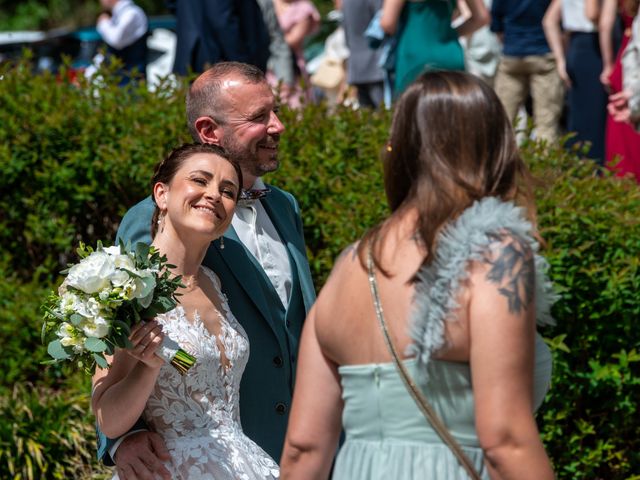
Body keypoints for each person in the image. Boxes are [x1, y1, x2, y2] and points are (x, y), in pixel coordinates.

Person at [280, 71, 556, 479]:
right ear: (495, 148)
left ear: (402, 149)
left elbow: (304, 450)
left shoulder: (349, 266)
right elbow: (506, 440)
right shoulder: (496, 256)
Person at [96, 61, 316, 479]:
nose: (278, 126)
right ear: (209, 131)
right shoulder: (159, 218)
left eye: (275, 111)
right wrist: (124, 438)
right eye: (258, 117)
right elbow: (126, 340)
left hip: (286, 450)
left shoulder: (285, 206)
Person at [92, 142, 281, 478]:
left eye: (227, 190)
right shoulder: (126, 286)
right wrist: (146, 368)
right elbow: (108, 418)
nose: (213, 195)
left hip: (241, 461)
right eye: (200, 180)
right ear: (162, 194)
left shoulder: (215, 283)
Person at [379, 0, 489, 96]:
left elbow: (388, 24)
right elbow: (482, 17)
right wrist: (452, 33)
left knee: (411, 112)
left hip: (414, 54)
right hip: (450, 52)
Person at [491, 0, 565, 143]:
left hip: (512, 54)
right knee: (546, 124)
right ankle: (545, 163)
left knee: (502, 122)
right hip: (544, 54)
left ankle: (498, 162)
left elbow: (496, 23)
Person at [543, 0, 608, 163]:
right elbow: (592, 13)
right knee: (593, 121)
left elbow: (549, 20)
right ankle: (592, 172)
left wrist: (560, 60)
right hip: (592, 47)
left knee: (579, 118)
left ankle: (575, 169)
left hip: (575, 48)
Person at [170, 0, 271, 75]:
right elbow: (222, 22)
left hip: (194, 53)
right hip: (217, 59)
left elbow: (171, 4)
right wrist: (244, 67)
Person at [599, 0, 640, 180]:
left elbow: (603, 23)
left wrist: (607, 64)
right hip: (631, 59)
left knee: (623, 131)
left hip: (628, 56)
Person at [273, 0, 321, 107]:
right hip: (269, 65)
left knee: (295, 102)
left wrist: (269, 41)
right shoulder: (269, 3)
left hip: (293, 64)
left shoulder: (304, 8)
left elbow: (294, 40)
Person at [88, 0, 148, 83]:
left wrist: (103, 23)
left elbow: (116, 40)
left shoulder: (132, 13)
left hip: (131, 84)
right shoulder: (117, 15)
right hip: (118, 82)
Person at [341, 0, 386, 108]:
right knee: (385, 111)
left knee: (368, 115)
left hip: (356, 65)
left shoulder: (346, 2)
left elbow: (347, 38)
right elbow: (383, 24)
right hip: (376, 63)